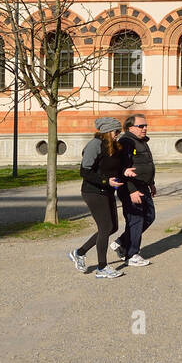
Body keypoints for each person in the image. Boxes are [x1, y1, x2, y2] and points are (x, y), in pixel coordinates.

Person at [70, 117, 128, 279]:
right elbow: (85, 171)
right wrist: (105, 180)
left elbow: (114, 167)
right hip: (93, 191)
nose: (119, 134)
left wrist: (124, 173)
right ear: (107, 131)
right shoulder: (94, 145)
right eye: (116, 131)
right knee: (105, 227)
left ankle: (79, 252)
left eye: (119, 131)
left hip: (107, 191)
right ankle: (102, 267)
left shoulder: (114, 145)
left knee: (112, 227)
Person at [111, 114, 156, 266]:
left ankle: (122, 242)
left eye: (145, 125)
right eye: (141, 126)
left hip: (143, 186)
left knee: (149, 216)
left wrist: (151, 183)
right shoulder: (127, 142)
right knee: (136, 220)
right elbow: (122, 169)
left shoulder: (141, 141)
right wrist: (131, 190)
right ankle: (132, 254)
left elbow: (146, 163)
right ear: (130, 128)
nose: (145, 128)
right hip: (132, 188)